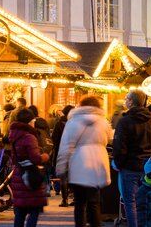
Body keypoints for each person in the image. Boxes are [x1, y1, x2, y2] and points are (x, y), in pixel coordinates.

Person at [56, 96, 113, 227]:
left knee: (80, 203)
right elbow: (109, 139)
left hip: (78, 164)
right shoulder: (103, 122)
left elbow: (66, 146)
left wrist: (61, 167)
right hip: (98, 164)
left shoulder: (73, 121)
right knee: (94, 202)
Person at [113, 90, 151, 227]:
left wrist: (118, 163)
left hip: (130, 166)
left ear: (132, 101)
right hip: (149, 166)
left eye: (127, 98)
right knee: (147, 200)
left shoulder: (125, 121)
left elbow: (120, 146)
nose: (125, 100)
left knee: (131, 201)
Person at [10, 108, 50, 227]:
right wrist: (45, 156)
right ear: (29, 121)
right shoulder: (29, 137)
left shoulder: (13, 134)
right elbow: (35, 158)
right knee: (34, 210)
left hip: (19, 174)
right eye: (33, 120)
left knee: (20, 212)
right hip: (30, 175)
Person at [51, 104, 74, 207]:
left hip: (61, 152)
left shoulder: (59, 123)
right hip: (73, 153)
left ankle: (64, 200)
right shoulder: (74, 123)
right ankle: (75, 198)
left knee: (63, 177)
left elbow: (54, 140)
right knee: (73, 176)